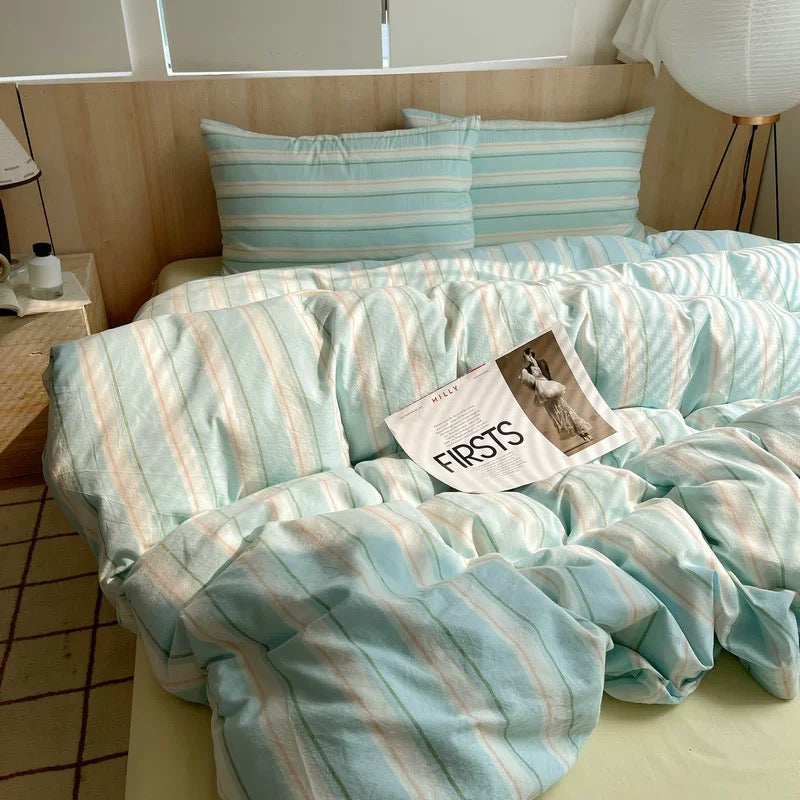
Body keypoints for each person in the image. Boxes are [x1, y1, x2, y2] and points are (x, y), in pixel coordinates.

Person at [519, 349, 593, 443]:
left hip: (552, 390)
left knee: (567, 412)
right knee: (559, 417)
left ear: (529, 354)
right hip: (543, 395)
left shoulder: (542, 362)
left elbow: (548, 376)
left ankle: (585, 434)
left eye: (524, 355)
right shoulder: (527, 370)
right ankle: (583, 437)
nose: (523, 358)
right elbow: (530, 384)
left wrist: (552, 386)